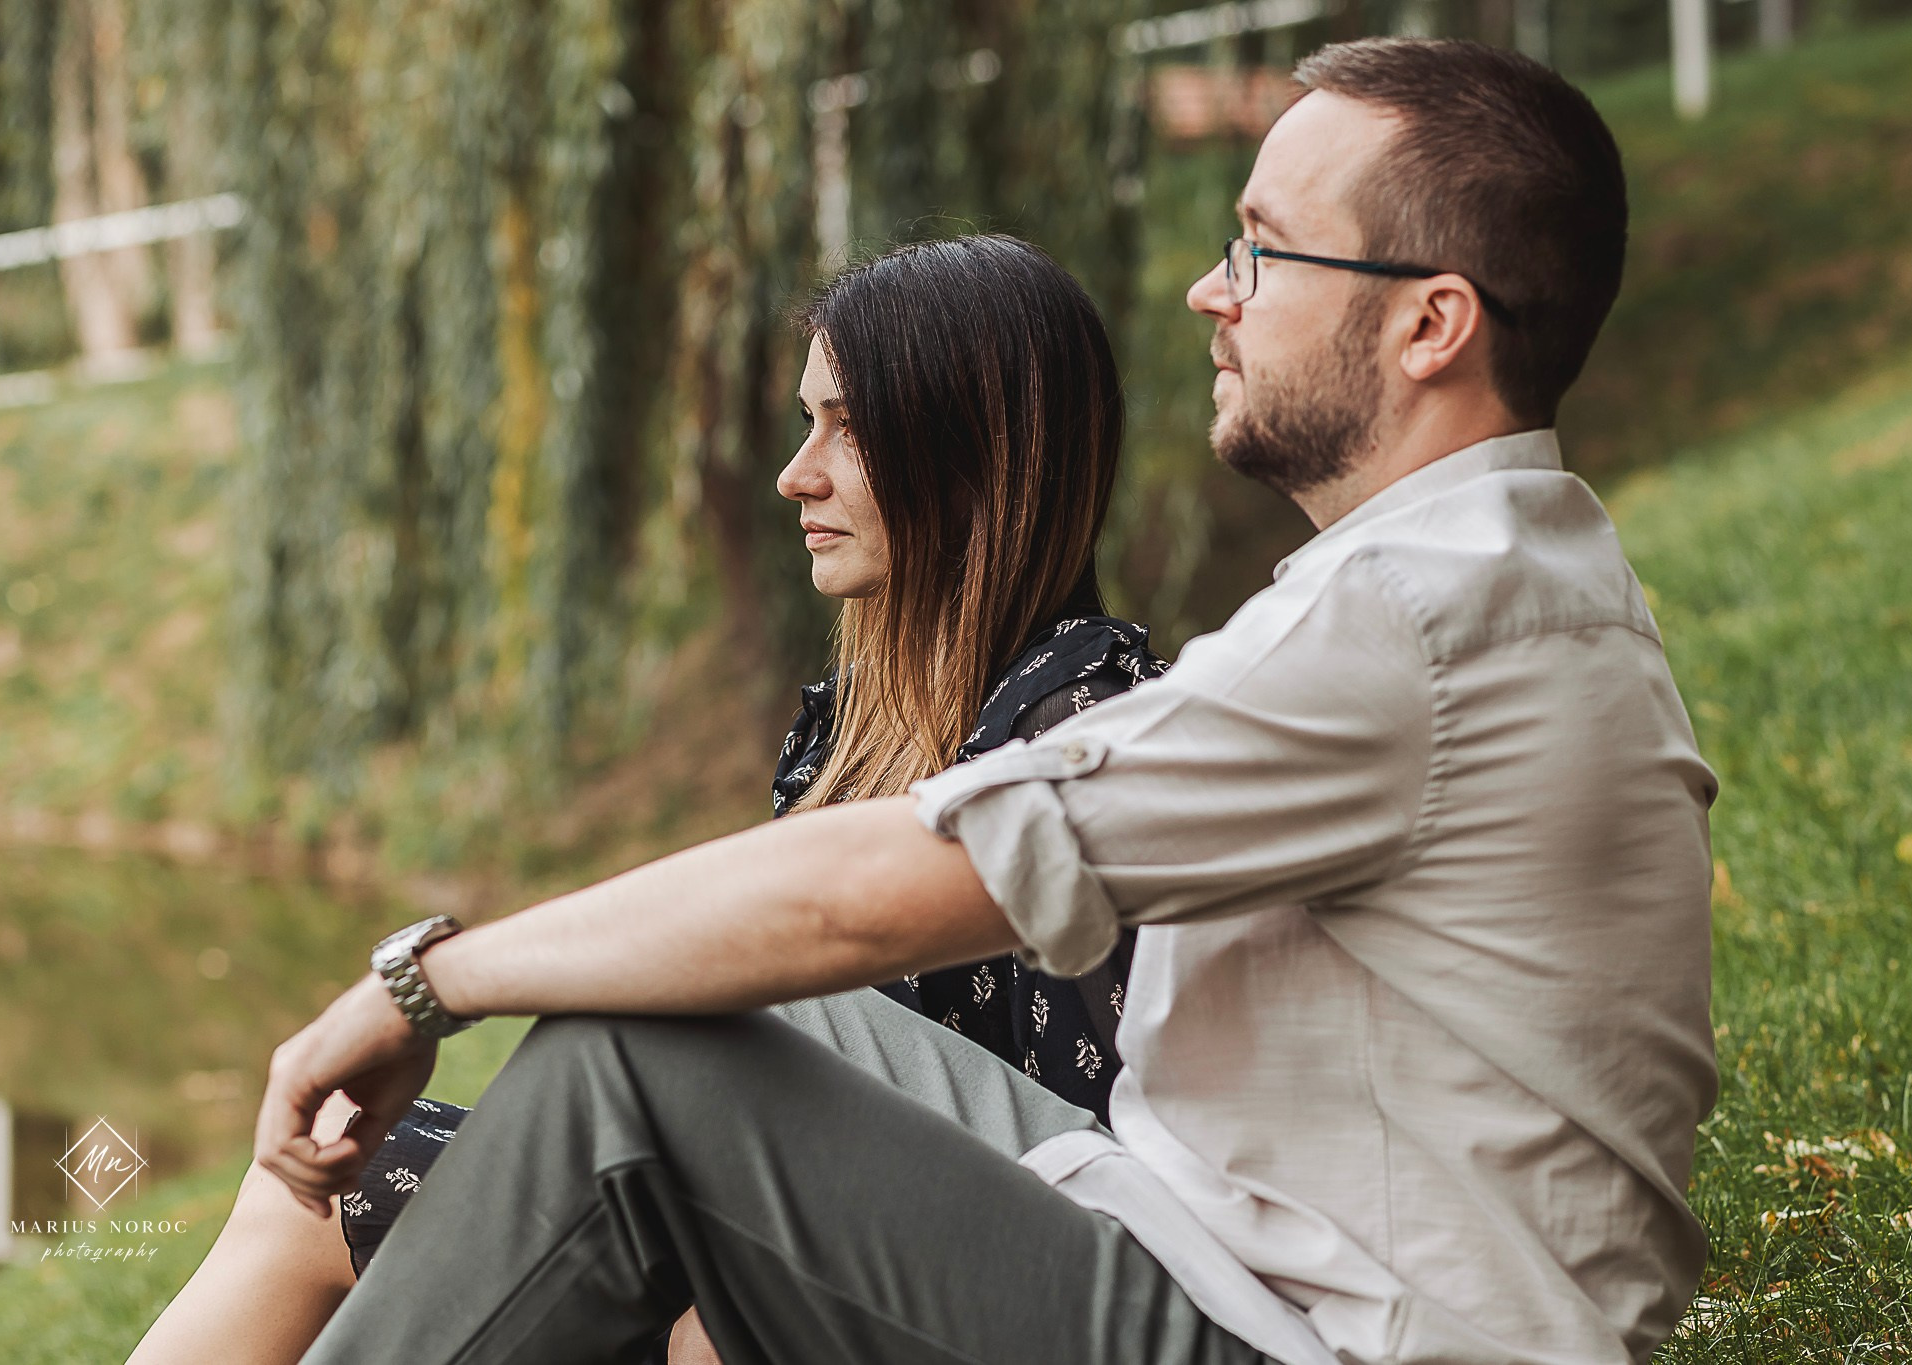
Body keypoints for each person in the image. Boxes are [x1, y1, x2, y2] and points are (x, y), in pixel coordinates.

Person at [250, 37, 1719, 1365]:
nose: (1216, 290)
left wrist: (430, 981)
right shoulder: (1473, 578)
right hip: (1210, 1246)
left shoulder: (1422, 617)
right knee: (727, 1007)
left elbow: (892, 887)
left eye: (1267, 253)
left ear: (1431, 325)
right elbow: (825, 921)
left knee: (621, 1075)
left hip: (1324, 1339)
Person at [125, 234, 1163, 1365]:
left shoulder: (1085, 721)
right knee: (329, 1185)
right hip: (757, 1218)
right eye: (806, 421)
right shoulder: (845, 723)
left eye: (848, 428)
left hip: (960, 1283)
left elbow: (1121, 1136)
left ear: (978, 453)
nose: (796, 472)